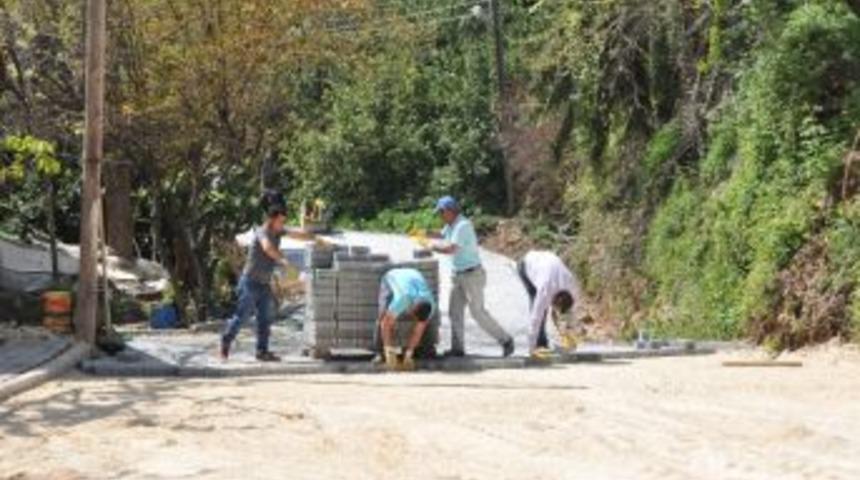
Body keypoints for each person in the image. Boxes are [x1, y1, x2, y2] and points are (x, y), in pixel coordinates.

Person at [430, 196, 514, 358]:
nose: (440, 216)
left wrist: (432, 247)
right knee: (454, 312)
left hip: (472, 275)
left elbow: (452, 248)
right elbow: (442, 236)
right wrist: (423, 233)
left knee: (478, 312)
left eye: (441, 212)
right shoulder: (451, 225)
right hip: (459, 275)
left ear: (450, 211)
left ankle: (506, 340)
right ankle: (458, 348)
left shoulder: (462, 226)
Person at [221, 190, 295, 362]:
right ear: (272, 219)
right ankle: (226, 340)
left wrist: (316, 238)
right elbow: (268, 248)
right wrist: (283, 260)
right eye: (281, 221)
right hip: (249, 283)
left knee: (265, 319)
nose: (283, 224)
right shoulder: (262, 232)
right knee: (242, 317)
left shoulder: (278, 231)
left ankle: (262, 352)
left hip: (263, 284)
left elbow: (297, 233)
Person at [517, 250, 584, 356]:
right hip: (526, 265)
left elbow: (573, 311)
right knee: (539, 308)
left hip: (546, 263)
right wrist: (531, 348)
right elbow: (535, 318)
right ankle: (540, 344)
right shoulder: (545, 290)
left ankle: (559, 340)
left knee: (556, 312)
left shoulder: (572, 286)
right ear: (552, 300)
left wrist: (571, 333)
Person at [374, 268, 436, 371]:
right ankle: (381, 353)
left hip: (413, 275)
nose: (414, 320)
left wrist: (409, 354)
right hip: (392, 277)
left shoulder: (431, 305)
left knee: (425, 325)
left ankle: (420, 351)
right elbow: (386, 324)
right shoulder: (402, 299)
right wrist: (389, 350)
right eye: (414, 316)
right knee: (383, 316)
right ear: (412, 307)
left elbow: (418, 330)